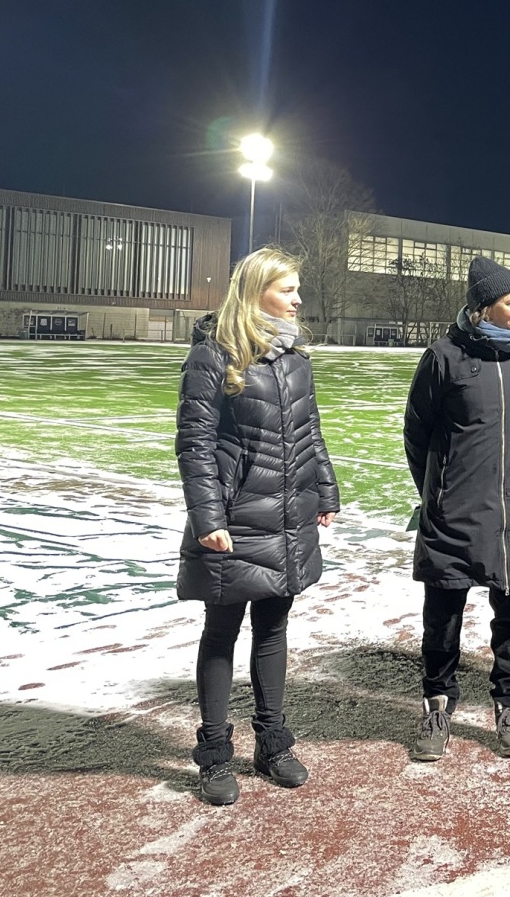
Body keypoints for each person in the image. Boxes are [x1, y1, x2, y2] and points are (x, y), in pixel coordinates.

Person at [175, 247, 339, 805]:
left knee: (274, 628)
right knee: (221, 633)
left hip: (289, 514)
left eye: (297, 290)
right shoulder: (213, 355)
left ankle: (272, 741)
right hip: (235, 518)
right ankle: (215, 751)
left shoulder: (296, 358)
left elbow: (310, 430)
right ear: (255, 292)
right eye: (287, 290)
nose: (298, 300)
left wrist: (326, 489)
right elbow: (195, 444)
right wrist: (207, 517)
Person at [403, 256, 510, 761]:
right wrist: (439, 492)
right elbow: (417, 433)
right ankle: (437, 704)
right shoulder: (443, 357)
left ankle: (509, 703)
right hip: (455, 512)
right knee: (442, 618)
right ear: (483, 307)